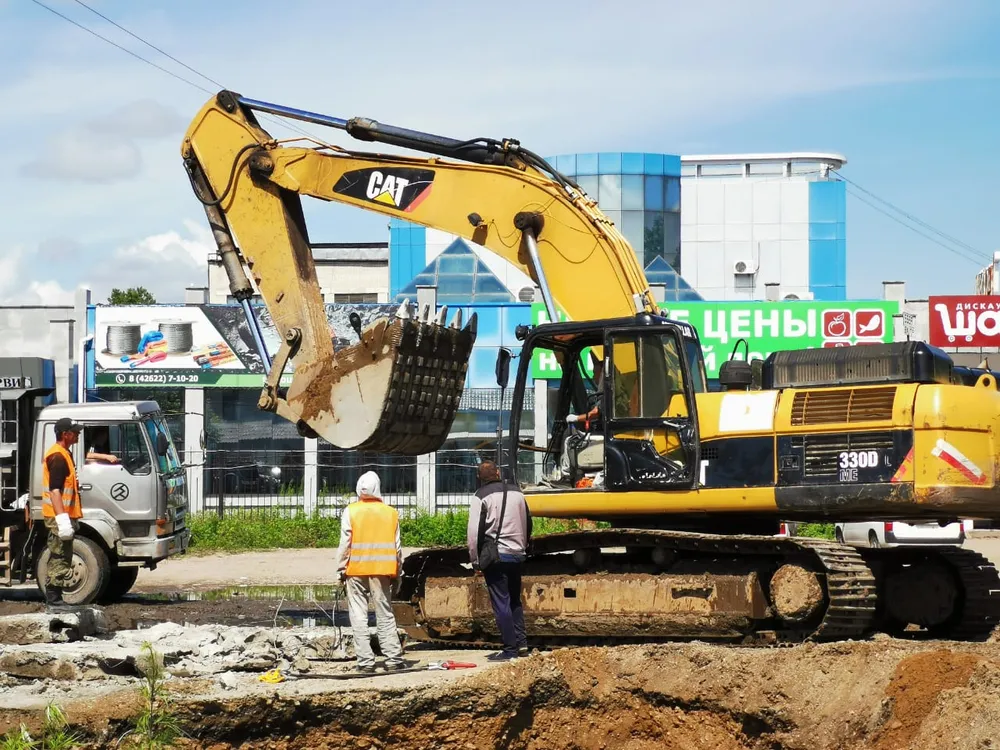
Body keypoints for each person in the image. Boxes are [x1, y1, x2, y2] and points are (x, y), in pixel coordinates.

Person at [336, 471, 407, 673]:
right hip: (382, 571)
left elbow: (345, 543)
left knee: (358, 616)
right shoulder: (390, 513)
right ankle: (393, 659)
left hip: (355, 571)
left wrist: (340, 569)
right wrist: (398, 573)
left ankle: (366, 662)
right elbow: (397, 548)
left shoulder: (351, 511)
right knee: (385, 614)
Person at [467, 460, 532, 661]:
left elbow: (474, 533)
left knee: (501, 602)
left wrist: (475, 560)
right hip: (517, 553)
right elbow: (528, 522)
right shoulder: (518, 493)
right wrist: (523, 546)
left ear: (479, 477)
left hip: (496, 556)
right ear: (497, 473)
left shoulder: (480, 496)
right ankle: (522, 644)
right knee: (514, 600)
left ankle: (510, 649)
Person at [41, 417, 84, 611]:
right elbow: (55, 491)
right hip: (58, 515)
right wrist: (62, 520)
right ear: (65, 434)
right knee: (60, 555)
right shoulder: (58, 456)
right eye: (75, 431)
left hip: (62, 514)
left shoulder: (64, 453)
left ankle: (55, 599)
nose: (78, 434)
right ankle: (54, 600)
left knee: (63, 554)